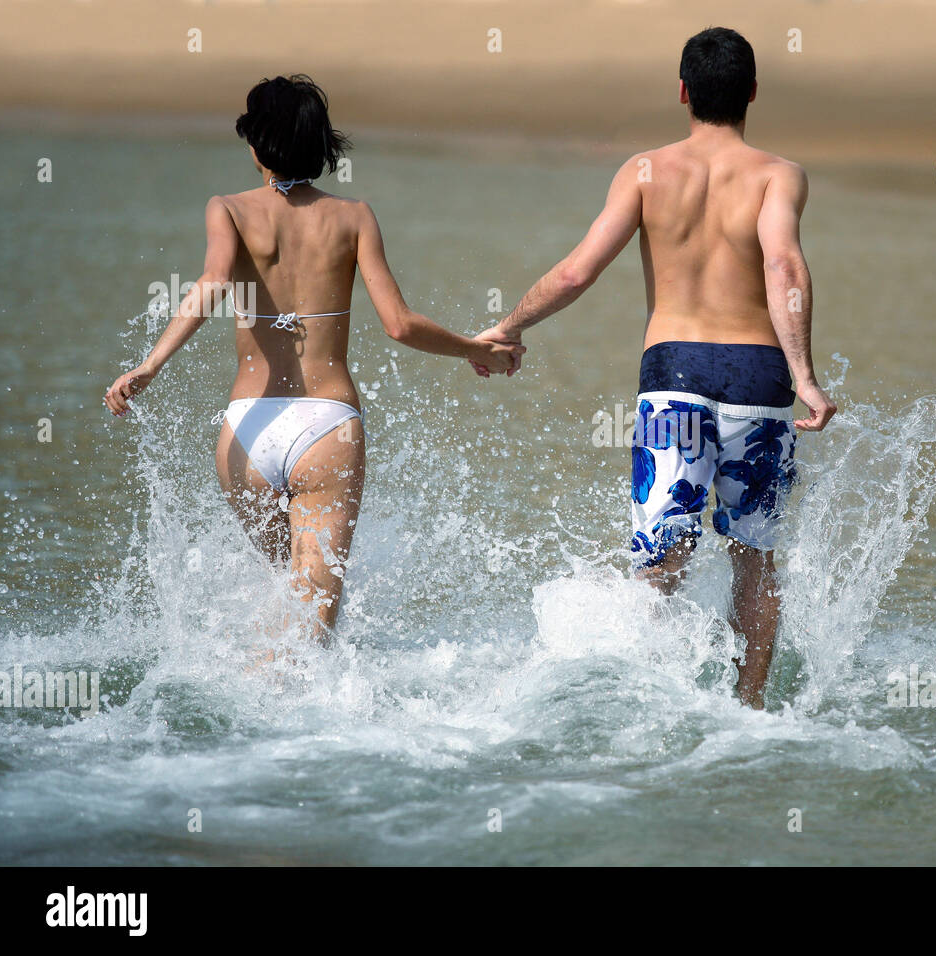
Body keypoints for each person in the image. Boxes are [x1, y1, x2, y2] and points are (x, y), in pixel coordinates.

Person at [474, 28, 836, 708]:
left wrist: (510, 326)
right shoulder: (779, 175)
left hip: (675, 373)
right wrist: (805, 376)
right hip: (761, 378)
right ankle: (749, 709)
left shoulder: (644, 171)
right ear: (753, 92)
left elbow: (578, 272)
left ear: (683, 92)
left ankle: (644, 707)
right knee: (754, 559)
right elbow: (783, 265)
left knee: (660, 561)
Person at [105, 75, 523, 641]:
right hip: (327, 427)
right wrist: (477, 349)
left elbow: (212, 283)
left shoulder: (228, 209)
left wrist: (150, 364)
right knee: (311, 623)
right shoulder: (354, 217)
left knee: (286, 600)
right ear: (321, 145)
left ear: (255, 145)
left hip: (246, 431)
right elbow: (399, 324)